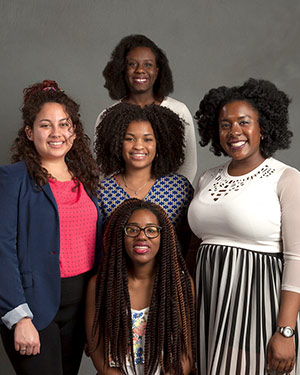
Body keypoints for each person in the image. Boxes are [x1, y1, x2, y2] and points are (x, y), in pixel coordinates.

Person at [188, 78, 300, 375]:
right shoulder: (207, 178)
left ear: (263, 127)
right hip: (208, 305)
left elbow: (297, 259)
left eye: (244, 122)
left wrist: (286, 331)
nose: (234, 131)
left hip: (256, 306)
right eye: (225, 124)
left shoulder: (286, 179)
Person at [0, 80, 102, 375]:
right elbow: (2, 250)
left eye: (64, 124)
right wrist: (18, 317)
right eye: (46, 125)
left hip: (79, 308)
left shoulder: (87, 179)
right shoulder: (13, 179)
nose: (56, 133)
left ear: (74, 130)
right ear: (30, 133)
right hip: (32, 309)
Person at [86, 198, 196, 375]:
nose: (142, 236)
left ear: (163, 236)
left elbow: (186, 356)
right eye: (132, 230)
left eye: (151, 230)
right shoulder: (100, 285)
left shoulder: (180, 285)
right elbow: (97, 353)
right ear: (120, 235)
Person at [95, 34, 197, 184]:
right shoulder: (108, 117)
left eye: (147, 64)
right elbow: (103, 167)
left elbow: (188, 165)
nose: (140, 70)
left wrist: (170, 196)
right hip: (122, 201)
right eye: (132, 64)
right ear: (123, 70)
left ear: (157, 71)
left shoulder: (178, 110)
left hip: (167, 200)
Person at [95, 101, 194, 256]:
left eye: (147, 139)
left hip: (169, 277)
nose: (138, 146)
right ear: (116, 143)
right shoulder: (102, 191)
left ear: (160, 144)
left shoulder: (179, 188)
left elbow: (190, 242)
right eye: (129, 138)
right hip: (116, 277)